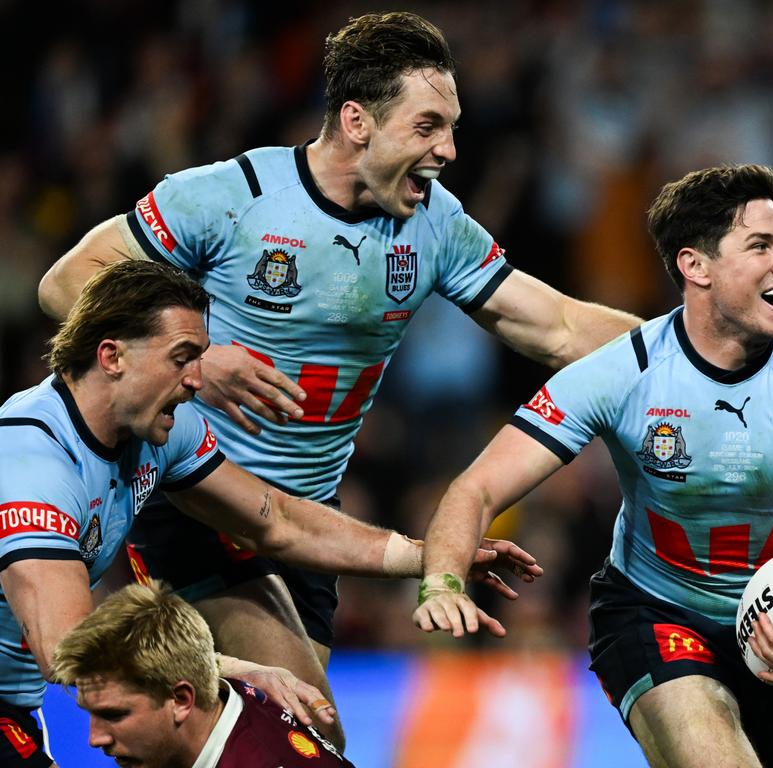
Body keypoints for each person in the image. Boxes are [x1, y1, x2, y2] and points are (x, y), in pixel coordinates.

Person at [36, 10, 639, 746]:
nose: (448, 149)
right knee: (306, 733)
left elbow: (561, 327)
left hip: (308, 529)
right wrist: (196, 358)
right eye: (427, 127)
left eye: (451, 128)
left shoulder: (435, 225)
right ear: (357, 121)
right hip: (200, 504)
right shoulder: (234, 195)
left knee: (233, 741)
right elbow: (68, 283)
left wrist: (695, 345)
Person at [412, 164, 773, 767]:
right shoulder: (625, 374)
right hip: (649, 613)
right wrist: (442, 578)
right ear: (695, 266)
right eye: (759, 245)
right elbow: (476, 487)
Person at [0, 260, 538, 766]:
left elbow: (275, 520)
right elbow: (69, 650)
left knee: (300, 728)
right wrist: (241, 671)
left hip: (17, 705)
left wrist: (428, 558)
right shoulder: (31, 463)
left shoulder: (160, 428)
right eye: (182, 357)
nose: (196, 381)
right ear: (112, 356)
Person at [52, 581, 352, 767]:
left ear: (181, 699)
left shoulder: (257, 759)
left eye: (114, 714)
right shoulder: (220, 698)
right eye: (90, 712)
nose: (95, 738)